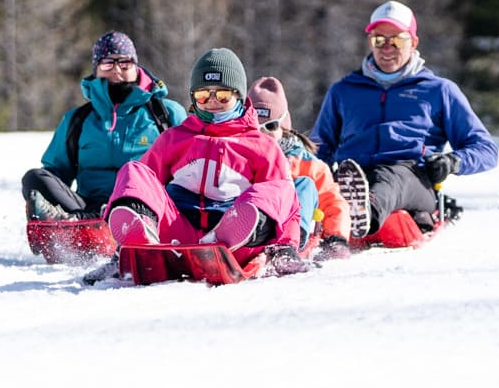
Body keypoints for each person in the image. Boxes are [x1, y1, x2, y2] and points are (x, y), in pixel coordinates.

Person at [309, 0, 497, 237]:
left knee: (390, 177)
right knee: (343, 178)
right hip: (354, 173)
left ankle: (363, 212)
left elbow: (486, 149)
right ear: (371, 42)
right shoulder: (344, 91)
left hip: (412, 178)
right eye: (379, 40)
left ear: (414, 42)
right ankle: (334, 211)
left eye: (397, 40)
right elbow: (319, 148)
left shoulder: (439, 90)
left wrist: (453, 161)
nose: (387, 48)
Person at [104, 48, 301, 262]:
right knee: (134, 170)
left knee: (280, 188)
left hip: (233, 245)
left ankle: (232, 230)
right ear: (193, 97)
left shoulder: (261, 146)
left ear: (239, 96)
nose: (212, 101)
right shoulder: (175, 138)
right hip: (176, 234)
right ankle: (141, 238)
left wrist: (286, 246)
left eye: (223, 95)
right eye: (203, 95)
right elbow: (144, 184)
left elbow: (287, 204)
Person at [22, 31, 186, 220]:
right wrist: (43, 197)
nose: (116, 70)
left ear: (136, 66)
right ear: (96, 68)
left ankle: (88, 222)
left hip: (143, 205)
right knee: (34, 179)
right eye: (108, 63)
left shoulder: (166, 115)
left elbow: (189, 167)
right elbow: (56, 172)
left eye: (125, 63)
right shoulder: (78, 119)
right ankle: (80, 223)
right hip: (86, 205)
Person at [247, 76, 347, 254]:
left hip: (298, 235)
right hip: (255, 230)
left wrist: (336, 238)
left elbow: (333, 202)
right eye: (256, 127)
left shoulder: (306, 164)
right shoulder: (239, 157)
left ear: (284, 128)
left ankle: (290, 242)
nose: (263, 134)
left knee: (303, 185)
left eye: (270, 127)